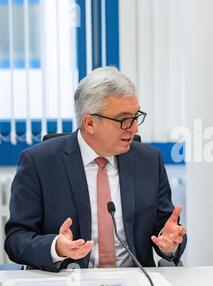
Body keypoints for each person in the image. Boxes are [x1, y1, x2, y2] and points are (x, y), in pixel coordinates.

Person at [5, 67, 186, 272]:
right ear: (90, 123)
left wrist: (170, 243)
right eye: (124, 120)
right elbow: (16, 239)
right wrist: (56, 247)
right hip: (66, 283)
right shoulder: (39, 162)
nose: (134, 128)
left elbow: (166, 229)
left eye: (136, 117)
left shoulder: (149, 161)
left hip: (136, 283)